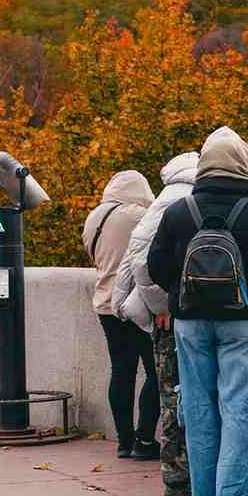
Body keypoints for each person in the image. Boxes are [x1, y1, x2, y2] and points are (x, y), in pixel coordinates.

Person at [148, 127, 248, 496]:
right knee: (237, 405)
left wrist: (182, 296)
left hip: (190, 323)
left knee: (196, 408)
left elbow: (156, 265)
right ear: (244, 164)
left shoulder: (179, 212)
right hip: (243, 322)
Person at [111, 152, 198, 496]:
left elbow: (137, 249)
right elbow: (142, 257)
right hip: (175, 312)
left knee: (170, 395)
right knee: (178, 395)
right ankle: (180, 476)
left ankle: (177, 477)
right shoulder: (183, 199)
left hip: (171, 310)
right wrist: (161, 305)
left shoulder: (166, 198)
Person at [83, 170, 161, 460]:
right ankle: (145, 438)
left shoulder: (95, 217)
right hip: (136, 303)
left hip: (105, 303)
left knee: (122, 370)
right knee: (155, 372)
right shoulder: (140, 215)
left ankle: (124, 441)